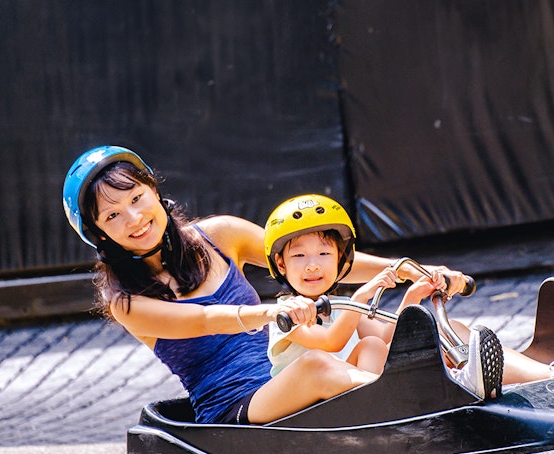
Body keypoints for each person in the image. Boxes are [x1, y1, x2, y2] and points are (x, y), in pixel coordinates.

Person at [61, 145, 484, 426]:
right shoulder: (125, 302)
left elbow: (314, 262)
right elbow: (208, 319)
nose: (133, 219)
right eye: (112, 216)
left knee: (376, 335)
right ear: (98, 233)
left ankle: (516, 375)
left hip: (282, 376)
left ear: (153, 190)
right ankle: (434, 403)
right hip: (237, 408)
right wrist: (271, 311)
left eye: (136, 199)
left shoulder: (220, 235)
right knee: (317, 365)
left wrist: (412, 270)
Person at [262, 193, 500, 399]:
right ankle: (399, 397)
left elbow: (388, 337)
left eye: (324, 253)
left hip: (342, 398)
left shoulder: (340, 306)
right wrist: (361, 296)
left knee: (379, 345)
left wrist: (412, 297)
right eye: (299, 256)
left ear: (340, 259)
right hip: (306, 406)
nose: (312, 265)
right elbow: (330, 342)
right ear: (281, 264)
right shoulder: (286, 312)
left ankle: (456, 382)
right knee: (370, 346)